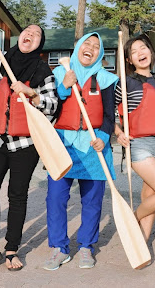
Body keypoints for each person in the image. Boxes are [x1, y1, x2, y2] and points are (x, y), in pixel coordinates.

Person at [0, 18, 58, 272]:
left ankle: (12, 249)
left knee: (17, 196)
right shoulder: (1, 61)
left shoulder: (43, 72)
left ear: (40, 45)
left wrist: (32, 94)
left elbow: (53, 106)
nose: (30, 33)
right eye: (27, 31)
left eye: (36, 34)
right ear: (20, 38)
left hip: (25, 145)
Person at [43, 32, 118, 270]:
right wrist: (64, 86)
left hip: (94, 146)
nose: (91, 48)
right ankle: (59, 248)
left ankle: (86, 246)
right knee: (55, 198)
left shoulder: (106, 79)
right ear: (78, 47)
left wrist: (104, 137)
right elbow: (50, 106)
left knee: (93, 201)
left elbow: (109, 115)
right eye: (87, 43)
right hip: (62, 143)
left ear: (101, 53)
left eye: (96, 46)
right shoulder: (57, 73)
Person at [114, 36, 155, 240]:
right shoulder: (126, 82)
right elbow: (110, 112)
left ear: (151, 52)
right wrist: (118, 132)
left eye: (144, 48)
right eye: (134, 51)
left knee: (150, 196)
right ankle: (132, 220)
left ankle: (142, 242)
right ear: (129, 60)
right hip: (139, 144)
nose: (140, 52)